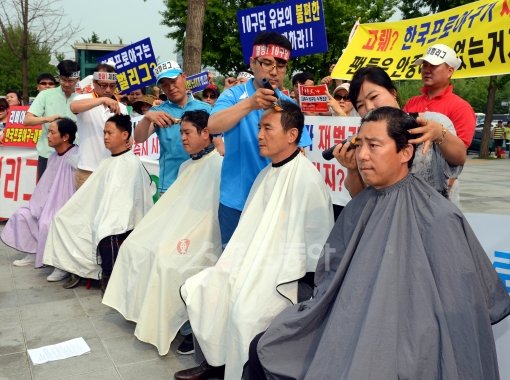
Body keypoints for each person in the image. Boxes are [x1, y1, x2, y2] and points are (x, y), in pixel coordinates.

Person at [246, 107, 510, 380]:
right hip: (352, 317)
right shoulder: (363, 205)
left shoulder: (439, 217)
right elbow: (335, 273)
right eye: (360, 145)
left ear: (405, 153)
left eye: (374, 146)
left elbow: (459, 308)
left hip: (411, 336)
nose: (362, 155)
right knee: (266, 345)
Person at [176, 101, 333, 380]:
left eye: (267, 128)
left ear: (292, 134)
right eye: (259, 127)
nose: (259, 135)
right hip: (251, 262)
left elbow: (315, 246)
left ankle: (238, 373)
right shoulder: (266, 173)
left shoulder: (307, 179)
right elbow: (250, 232)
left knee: (244, 313)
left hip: (283, 275)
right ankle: (217, 364)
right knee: (205, 288)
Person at [102, 110, 223, 356]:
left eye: (187, 133)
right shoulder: (187, 165)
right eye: (181, 133)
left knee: (167, 262)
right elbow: (175, 211)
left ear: (206, 133)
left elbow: (208, 217)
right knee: (134, 246)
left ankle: (190, 329)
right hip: (179, 230)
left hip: (204, 238)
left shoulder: (219, 165)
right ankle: (141, 312)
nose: (183, 139)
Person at [207, 31, 311, 247]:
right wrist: (250, 104)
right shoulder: (233, 96)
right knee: (230, 267)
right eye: (266, 63)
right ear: (253, 63)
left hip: (274, 203)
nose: (274, 71)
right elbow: (213, 125)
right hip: (235, 202)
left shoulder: (289, 106)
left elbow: (301, 152)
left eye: (281, 65)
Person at [43, 114, 153, 286]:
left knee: (105, 229)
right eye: (104, 133)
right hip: (104, 211)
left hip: (123, 218)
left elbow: (122, 205)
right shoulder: (109, 161)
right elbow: (90, 196)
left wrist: (103, 217)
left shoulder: (130, 163)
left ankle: (109, 278)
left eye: (110, 133)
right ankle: (71, 267)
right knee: (62, 218)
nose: (105, 137)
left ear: (125, 135)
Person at [336, 66, 466, 199]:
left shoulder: (433, 121)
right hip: (384, 216)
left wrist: (439, 133)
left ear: (393, 93)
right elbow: (359, 198)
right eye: (360, 105)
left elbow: (460, 158)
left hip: (431, 215)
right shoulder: (363, 141)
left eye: (374, 96)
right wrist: (352, 170)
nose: (369, 107)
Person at [1, 118, 78, 268]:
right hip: (47, 203)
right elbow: (45, 187)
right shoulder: (53, 156)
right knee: (23, 214)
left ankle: (59, 265)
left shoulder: (75, 156)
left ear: (65, 137)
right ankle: (33, 251)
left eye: (52, 132)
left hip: (65, 206)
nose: (48, 136)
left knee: (47, 223)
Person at [134, 60, 211, 194]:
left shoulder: (206, 108)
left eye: (174, 81)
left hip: (201, 182)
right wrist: (147, 117)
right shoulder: (157, 112)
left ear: (184, 77)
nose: (170, 87)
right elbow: (139, 139)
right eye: (165, 85)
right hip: (169, 184)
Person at [403, 43, 476, 148]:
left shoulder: (461, 107)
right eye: (425, 65)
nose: (426, 70)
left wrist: (440, 134)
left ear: (449, 71)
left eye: (433, 65)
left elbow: (460, 151)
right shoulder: (412, 102)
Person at [70, 62, 128, 188]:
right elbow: (73, 107)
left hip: (112, 171)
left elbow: (128, 138)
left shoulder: (122, 107)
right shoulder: (82, 99)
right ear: (94, 83)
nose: (108, 89)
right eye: (103, 85)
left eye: (112, 86)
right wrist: (102, 100)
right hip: (87, 170)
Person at [24, 60, 80, 180]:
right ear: (58, 77)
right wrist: (48, 119)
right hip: (47, 154)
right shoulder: (45, 95)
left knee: (70, 195)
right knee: (44, 194)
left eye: (70, 81)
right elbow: (27, 120)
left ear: (77, 79)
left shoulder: (82, 99)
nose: (66, 84)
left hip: (74, 156)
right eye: (63, 79)